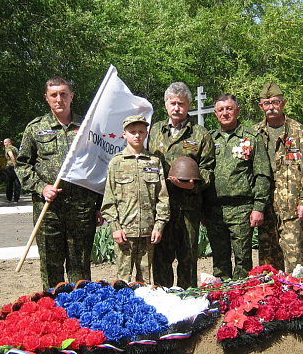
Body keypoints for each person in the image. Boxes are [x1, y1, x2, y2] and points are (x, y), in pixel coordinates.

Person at [16, 76, 103, 290]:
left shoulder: (86, 128)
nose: (59, 99)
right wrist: (41, 187)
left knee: (80, 268)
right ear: (46, 98)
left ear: (71, 96)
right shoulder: (35, 128)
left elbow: (98, 167)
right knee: (51, 267)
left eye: (63, 94)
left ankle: (81, 314)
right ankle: (54, 315)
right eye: (54, 95)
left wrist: (99, 206)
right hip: (49, 210)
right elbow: (22, 165)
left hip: (80, 209)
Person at [148, 82, 215, 289]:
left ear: (188, 105)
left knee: (187, 259)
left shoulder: (200, 134)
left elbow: (208, 169)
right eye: (173, 103)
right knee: (161, 260)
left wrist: (192, 186)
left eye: (181, 103)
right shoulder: (154, 131)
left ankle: (187, 304)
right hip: (161, 209)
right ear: (166, 104)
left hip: (188, 208)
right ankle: (163, 302)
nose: (176, 108)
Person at [253, 82, 303, 274]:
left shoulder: (297, 131)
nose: (271, 107)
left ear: (283, 103)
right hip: (265, 207)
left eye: (275, 102)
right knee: (267, 265)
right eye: (266, 103)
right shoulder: (255, 132)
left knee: (294, 262)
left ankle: (297, 299)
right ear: (261, 107)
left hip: (292, 207)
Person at [204, 94, 272, 280]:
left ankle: (242, 301)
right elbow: (203, 172)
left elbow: (262, 175)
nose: (225, 113)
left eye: (229, 108)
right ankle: (222, 300)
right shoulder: (209, 139)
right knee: (219, 259)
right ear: (215, 113)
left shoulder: (251, 138)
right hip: (214, 209)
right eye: (221, 110)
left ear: (237, 110)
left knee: (243, 259)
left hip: (242, 208)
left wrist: (258, 207)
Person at [101, 115, 170, 284]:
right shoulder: (117, 162)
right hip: (125, 233)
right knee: (122, 282)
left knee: (144, 282)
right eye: (132, 132)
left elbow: (163, 198)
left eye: (140, 131)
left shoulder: (154, 162)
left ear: (146, 133)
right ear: (124, 134)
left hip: (148, 233)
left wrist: (159, 226)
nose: (137, 135)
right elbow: (109, 201)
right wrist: (115, 228)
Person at [3, 138, 21, 202]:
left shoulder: (8, 148)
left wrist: (14, 164)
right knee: (17, 183)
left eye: (5, 142)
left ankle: (9, 198)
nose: (4, 144)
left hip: (10, 166)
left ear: (9, 143)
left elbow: (11, 155)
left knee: (9, 183)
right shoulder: (15, 148)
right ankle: (16, 198)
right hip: (17, 166)